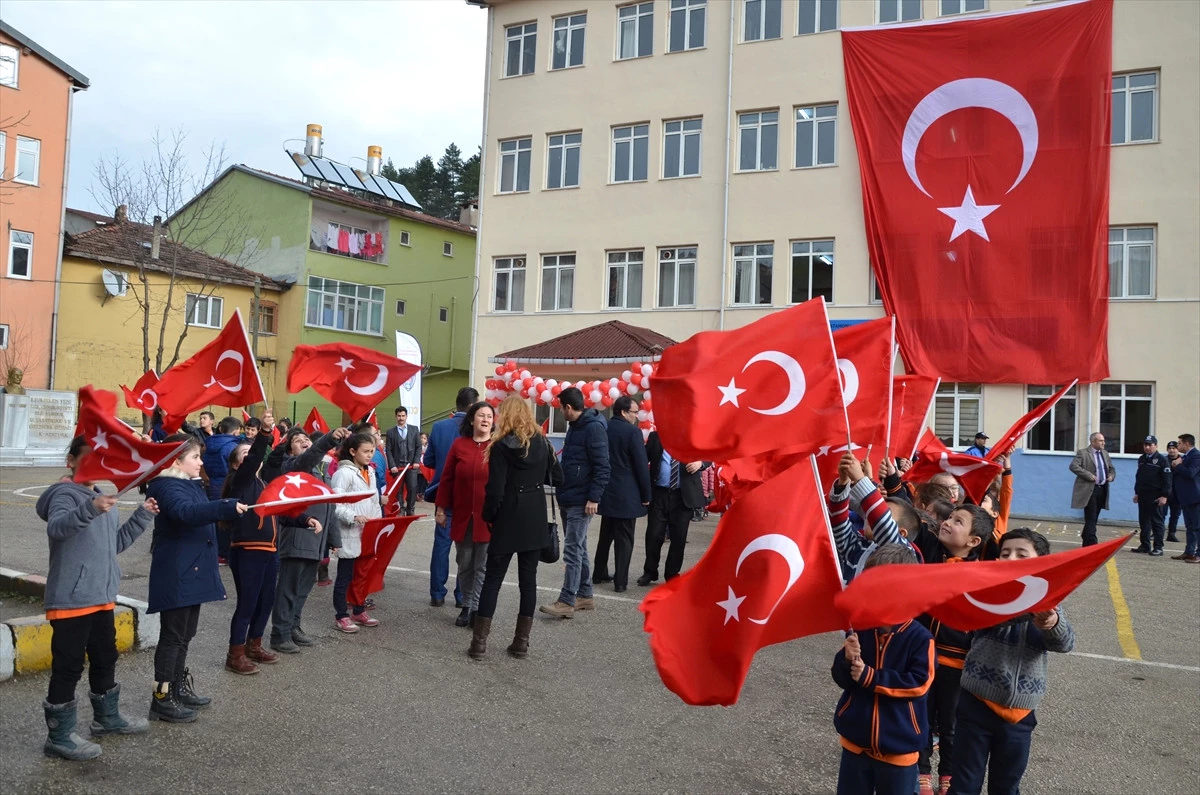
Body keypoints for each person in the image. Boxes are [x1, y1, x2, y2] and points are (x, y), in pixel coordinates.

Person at [35, 436, 158, 760]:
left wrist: (142, 516)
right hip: (72, 600)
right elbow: (58, 528)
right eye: (86, 458)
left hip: (101, 597)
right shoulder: (64, 494)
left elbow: (112, 545)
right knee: (68, 667)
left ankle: (106, 718)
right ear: (71, 462)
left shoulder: (99, 496)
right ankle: (59, 736)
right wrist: (90, 508)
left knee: (105, 659)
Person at [950, 528, 1075, 795]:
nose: (1012, 558)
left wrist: (1051, 623)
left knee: (1006, 786)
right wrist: (1027, 609)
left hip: (1020, 712)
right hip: (976, 703)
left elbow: (1064, 643)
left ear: (1041, 563)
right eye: (1005, 553)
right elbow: (983, 623)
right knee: (964, 784)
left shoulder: (1049, 600)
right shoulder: (986, 594)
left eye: (1021, 553)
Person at [145, 434, 247, 722]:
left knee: (186, 634)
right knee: (173, 636)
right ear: (176, 460)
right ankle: (162, 697)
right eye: (195, 457)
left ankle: (177, 687)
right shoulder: (165, 486)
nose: (201, 462)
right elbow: (185, 513)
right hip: (178, 572)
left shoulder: (188, 484)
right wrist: (224, 506)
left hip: (193, 570)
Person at [832, 544, 933, 795]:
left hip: (899, 748)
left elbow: (920, 682)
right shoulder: (860, 629)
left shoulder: (920, 638)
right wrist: (845, 660)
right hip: (856, 743)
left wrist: (871, 677)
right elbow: (842, 678)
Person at [222, 433, 321, 675]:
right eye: (244, 455)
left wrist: (305, 519)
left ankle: (254, 646)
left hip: (270, 552)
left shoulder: (265, 484)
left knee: (265, 602)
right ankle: (235, 655)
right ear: (237, 464)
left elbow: (281, 512)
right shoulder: (240, 480)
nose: (251, 459)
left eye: (251, 453)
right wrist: (265, 435)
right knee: (248, 604)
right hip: (248, 551)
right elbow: (253, 460)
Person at [472, 396, 563, 660]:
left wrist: (489, 515)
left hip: (508, 517)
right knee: (528, 581)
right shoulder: (543, 443)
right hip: (534, 515)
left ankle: (479, 644)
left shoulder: (500, 446)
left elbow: (495, 489)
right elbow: (559, 478)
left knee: (492, 580)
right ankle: (521, 643)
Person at [266, 425, 349, 653]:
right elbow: (309, 457)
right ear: (289, 449)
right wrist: (328, 439)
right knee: (288, 587)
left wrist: (334, 538)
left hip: (317, 540)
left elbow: (329, 506)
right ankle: (279, 634)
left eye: (306, 439)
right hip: (297, 536)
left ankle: (293, 627)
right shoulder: (292, 468)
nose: (304, 441)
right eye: (298, 440)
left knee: (302, 589)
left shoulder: (321, 472)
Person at [541, 387, 609, 618]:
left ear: (568, 407)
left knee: (572, 549)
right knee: (578, 547)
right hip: (569, 495)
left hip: (582, 500)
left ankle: (567, 600)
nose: (561, 412)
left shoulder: (593, 429)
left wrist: (594, 497)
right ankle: (585, 595)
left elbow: (603, 467)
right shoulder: (576, 428)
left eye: (561, 408)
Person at [436, 402, 495, 628]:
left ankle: (476, 609)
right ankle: (467, 605)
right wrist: (441, 509)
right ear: (471, 420)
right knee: (465, 563)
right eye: (481, 415)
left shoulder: (496, 446)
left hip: (488, 518)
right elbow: (447, 479)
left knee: (483, 565)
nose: (485, 419)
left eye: (489, 416)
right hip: (462, 516)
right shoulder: (459, 445)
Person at [828, 453, 919, 583]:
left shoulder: (902, 551)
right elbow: (838, 522)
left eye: (887, 512)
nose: (871, 515)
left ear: (901, 533)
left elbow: (881, 520)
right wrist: (843, 483)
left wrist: (860, 479)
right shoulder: (857, 546)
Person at [424, 388, 478, 607]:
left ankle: (437, 593)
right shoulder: (476, 428)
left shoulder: (439, 427)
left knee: (442, 545)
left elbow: (428, 460)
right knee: (467, 546)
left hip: (443, 493)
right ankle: (462, 595)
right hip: (469, 495)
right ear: (473, 405)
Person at [593, 396, 652, 593]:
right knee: (624, 539)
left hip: (605, 490)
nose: (637, 416)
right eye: (634, 412)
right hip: (627, 493)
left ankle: (599, 572)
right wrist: (646, 494)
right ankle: (620, 581)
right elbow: (641, 466)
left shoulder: (604, 428)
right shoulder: (632, 432)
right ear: (624, 412)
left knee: (606, 534)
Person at [637, 431, 708, 587]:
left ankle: (672, 574)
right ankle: (650, 571)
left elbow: (710, 453)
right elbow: (642, 458)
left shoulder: (694, 436)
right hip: (659, 493)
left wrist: (700, 463)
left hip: (682, 496)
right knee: (654, 535)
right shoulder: (657, 436)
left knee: (678, 537)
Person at [330, 432, 383, 632]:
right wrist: (353, 517)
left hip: (367, 532)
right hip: (349, 532)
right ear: (352, 452)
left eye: (372, 451)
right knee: (345, 576)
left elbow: (374, 500)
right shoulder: (342, 474)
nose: (370, 455)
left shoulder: (369, 472)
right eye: (366, 451)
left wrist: (377, 523)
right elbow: (335, 503)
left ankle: (359, 610)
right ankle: (341, 615)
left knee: (362, 575)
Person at [1069, 432, 1116, 546]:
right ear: (1093, 441)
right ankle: (1092, 543)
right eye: (1101, 441)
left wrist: (1111, 476)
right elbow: (1073, 466)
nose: (1103, 443)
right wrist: (1088, 475)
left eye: (1103, 440)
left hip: (1102, 489)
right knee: (1091, 516)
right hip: (1089, 490)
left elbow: (1112, 469)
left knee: (1094, 517)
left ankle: (1086, 536)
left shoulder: (1105, 454)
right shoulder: (1083, 453)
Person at [1131, 435, 1172, 557]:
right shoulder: (1142, 459)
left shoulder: (1162, 460)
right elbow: (1139, 477)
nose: (1147, 447)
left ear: (1156, 446)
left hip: (1156, 495)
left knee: (1157, 522)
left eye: (1150, 445)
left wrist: (1164, 496)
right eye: (1145, 445)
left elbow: (1167, 480)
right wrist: (1137, 493)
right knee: (1144, 522)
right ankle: (1145, 545)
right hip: (1143, 494)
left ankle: (1158, 547)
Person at [385, 405, 422, 516]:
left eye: (403, 416)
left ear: (406, 416)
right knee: (398, 489)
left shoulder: (414, 429)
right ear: (395, 417)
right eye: (399, 416)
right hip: (397, 466)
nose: (401, 418)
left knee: (412, 487)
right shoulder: (390, 432)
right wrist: (392, 465)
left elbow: (418, 447)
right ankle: (401, 508)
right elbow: (389, 450)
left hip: (411, 466)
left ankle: (410, 509)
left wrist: (416, 461)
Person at [1169, 433, 1200, 563]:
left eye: (1180, 443)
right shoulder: (1185, 457)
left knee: (1198, 527)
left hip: (1195, 498)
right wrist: (1176, 464)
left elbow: (1190, 473)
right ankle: (1189, 552)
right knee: (1190, 527)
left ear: (1187, 444)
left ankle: (1198, 554)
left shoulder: (1196, 456)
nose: (1177, 445)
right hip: (1185, 498)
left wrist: (1178, 465)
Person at [1165, 441, 1182, 542]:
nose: (1172, 450)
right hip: (1165, 492)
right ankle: (1157, 532)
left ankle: (1171, 533)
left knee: (1175, 514)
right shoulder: (1163, 460)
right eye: (1170, 448)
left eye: (1174, 448)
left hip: (1177, 492)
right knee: (1161, 514)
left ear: (1177, 449)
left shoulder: (1183, 460)